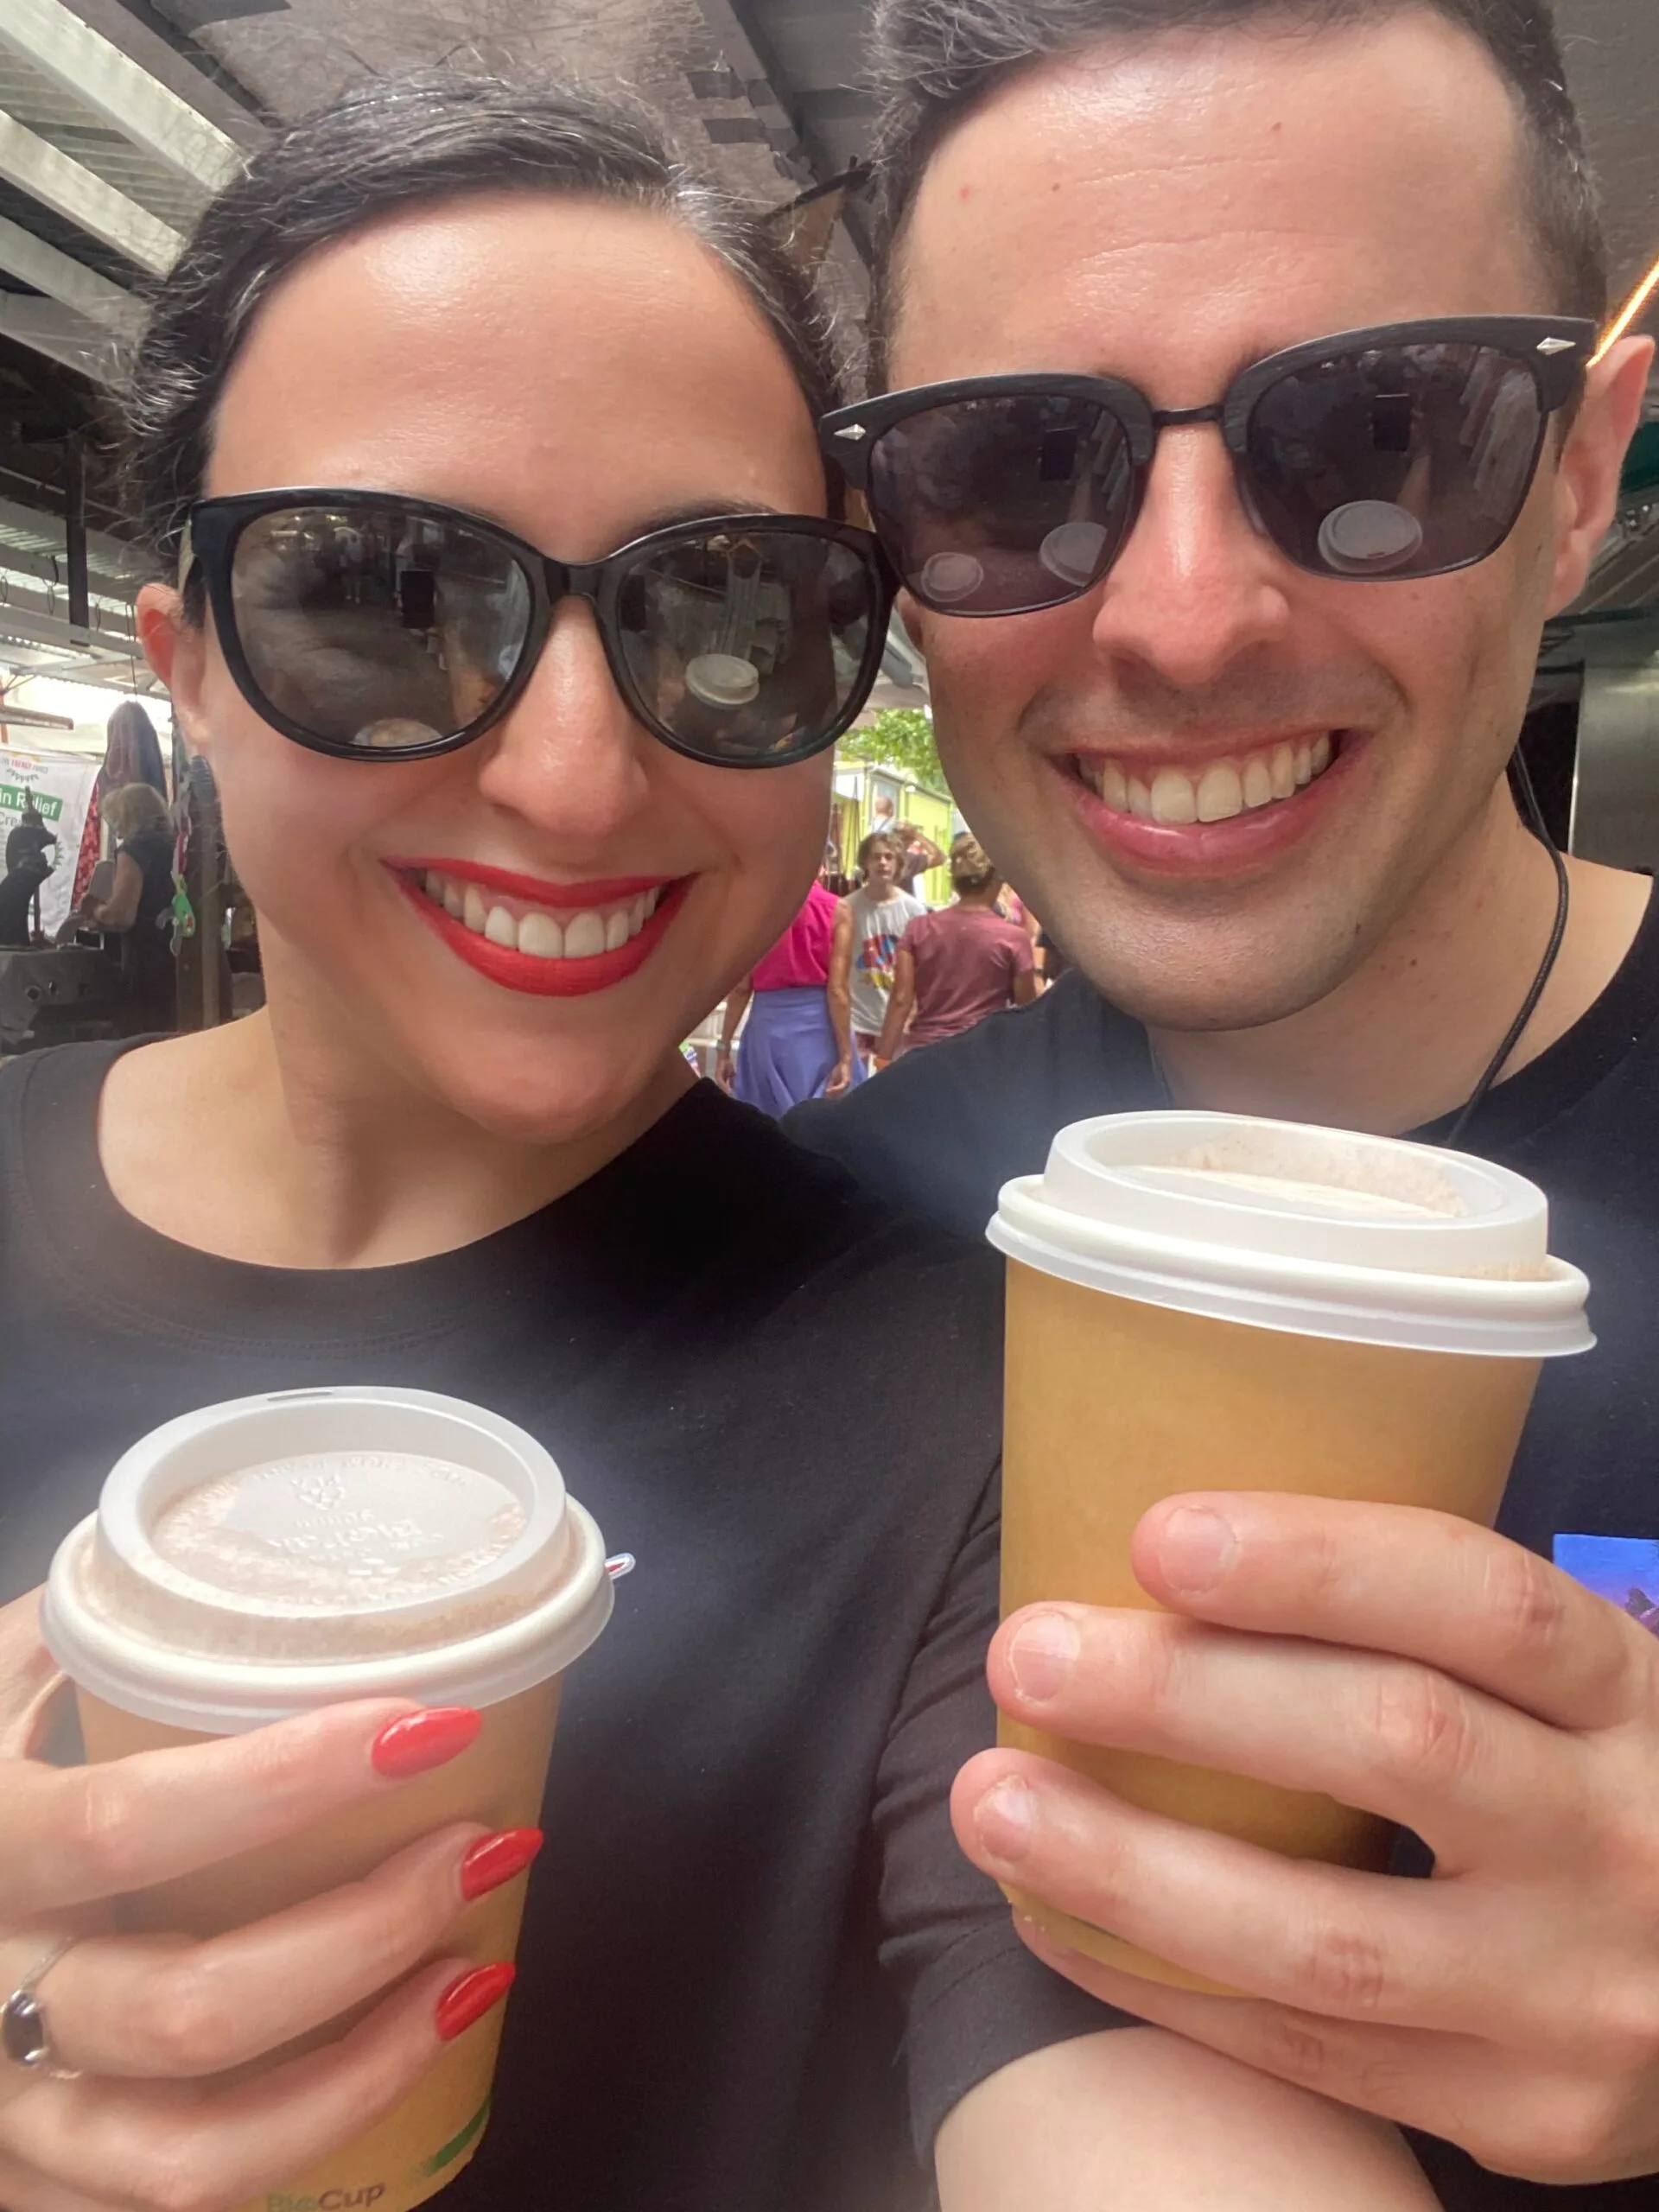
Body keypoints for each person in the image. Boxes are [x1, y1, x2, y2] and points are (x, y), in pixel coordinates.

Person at [0, 71, 1433, 2212]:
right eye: (381, 599)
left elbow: (1123, 2077)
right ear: (186, 665)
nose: (576, 778)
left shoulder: (984, 1389)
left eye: (725, 613)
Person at [794, 2, 1659, 2202]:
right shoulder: (803, 1254)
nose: (1181, 617)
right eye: (1011, 471)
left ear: (1579, 476)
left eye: (1380, 428)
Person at [876, 832, 1038, 1061]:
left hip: (925, 1055)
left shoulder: (918, 929)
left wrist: (883, 1059)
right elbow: (1026, 1008)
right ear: (995, 881)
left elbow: (901, 1000)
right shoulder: (1013, 938)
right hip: (983, 1057)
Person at [715, 876, 855, 1112]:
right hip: (821, 1029)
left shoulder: (755, 911)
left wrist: (724, 1048)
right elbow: (837, 990)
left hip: (767, 1029)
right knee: (824, 1122)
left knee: (767, 1122)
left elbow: (741, 988)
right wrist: (846, 1057)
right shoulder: (838, 910)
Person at [827, 828, 927, 1086]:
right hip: (857, 1016)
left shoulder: (914, 910)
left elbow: (923, 967)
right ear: (865, 863)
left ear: (898, 863)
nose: (883, 863)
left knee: (891, 1091)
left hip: (894, 1018)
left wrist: (913, 1013)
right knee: (851, 1091)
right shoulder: (847, 907)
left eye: (889, 857)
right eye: (876, 857)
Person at [83, 781, 177, 1034]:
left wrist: (97, 910)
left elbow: (122, 916)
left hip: (147, 960)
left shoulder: (134, 849)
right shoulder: (177, 845)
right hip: (181, 954)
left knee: (143, 1037)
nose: (116, 828)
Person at [0, 800, 54, 950]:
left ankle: (16, 938)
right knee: (12, 903)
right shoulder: (22, 832)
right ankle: (17, 938)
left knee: (12, 902)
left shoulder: (22, 832)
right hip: (26, 870)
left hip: (28, 870)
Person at [895, 818, 946, 897]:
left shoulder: (873, 856)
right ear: (910, 840)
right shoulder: (908, 860)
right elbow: (939, 857)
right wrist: (916, 834)